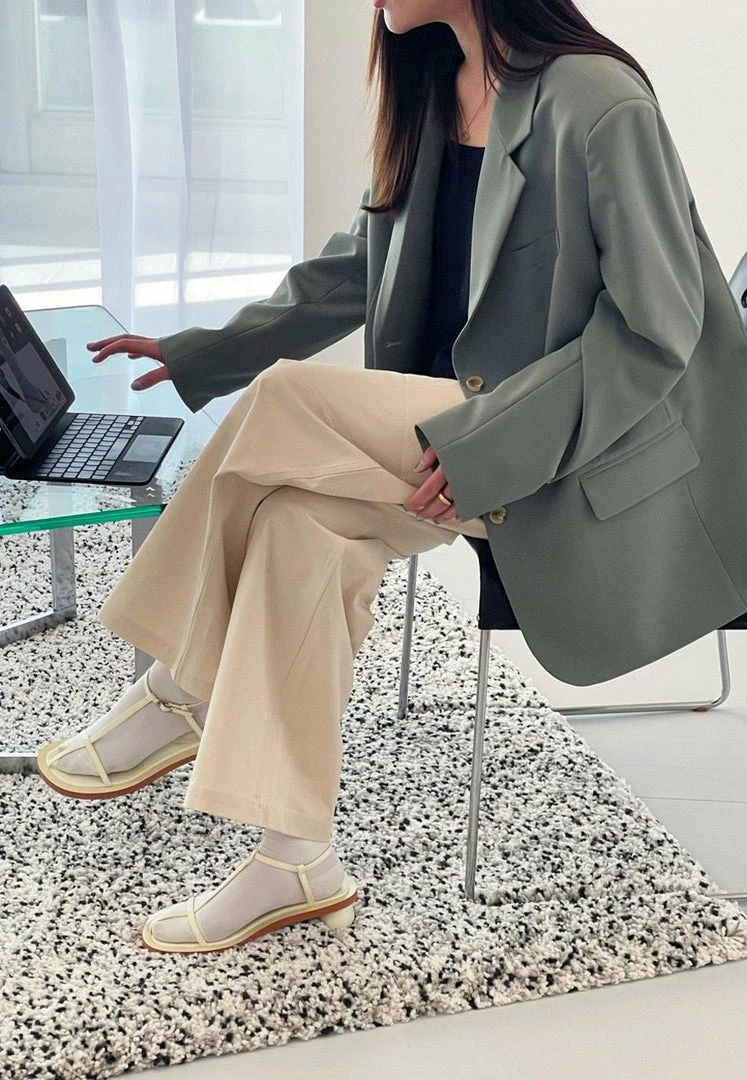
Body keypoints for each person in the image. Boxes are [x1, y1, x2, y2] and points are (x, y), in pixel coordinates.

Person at [36, 0, 683, 953]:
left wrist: (498, 446)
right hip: (428, 446)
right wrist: (200, 348)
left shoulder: (595, 100)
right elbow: (353, 267)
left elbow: (656, 329)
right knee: (294, 524)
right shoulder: (432, 88)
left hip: (552, 450)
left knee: (285, 398)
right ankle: (296, 857)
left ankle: (178, 686)